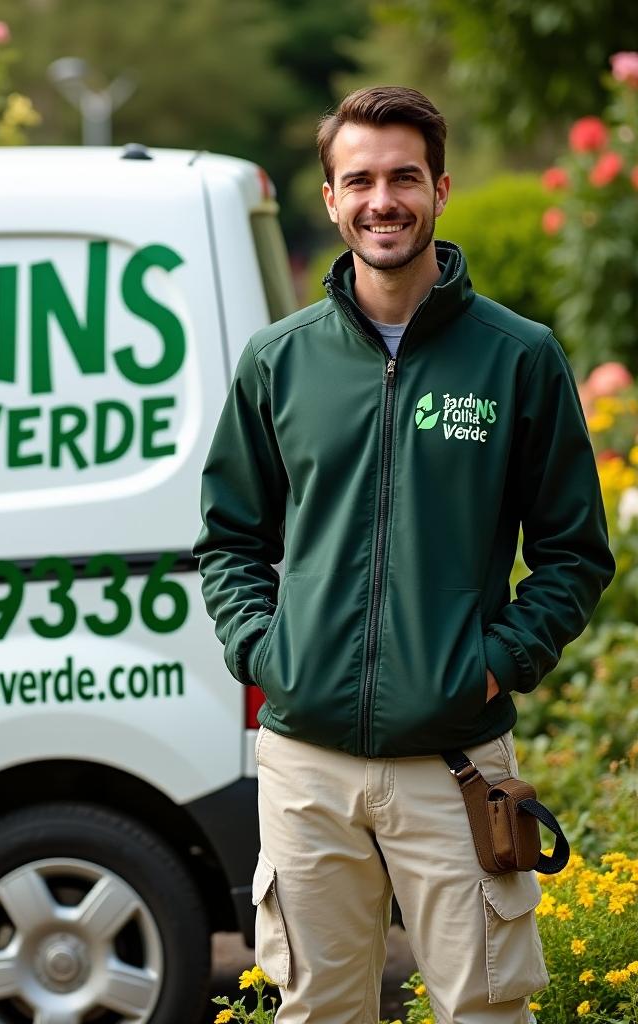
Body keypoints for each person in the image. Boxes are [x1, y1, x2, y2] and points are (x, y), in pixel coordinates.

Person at [192, 85, 615, 1024]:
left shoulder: (517, 358)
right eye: (361, 180)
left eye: (404, 178)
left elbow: (574, 552)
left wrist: (496, 667)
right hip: (306, 765)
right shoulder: (279, 361)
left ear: (441, 189)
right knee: (319, 1010)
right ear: (333, 199)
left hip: (456, 761)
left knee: (486, 1010)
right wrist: (268, 654)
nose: (383, 199)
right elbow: (230, 538)